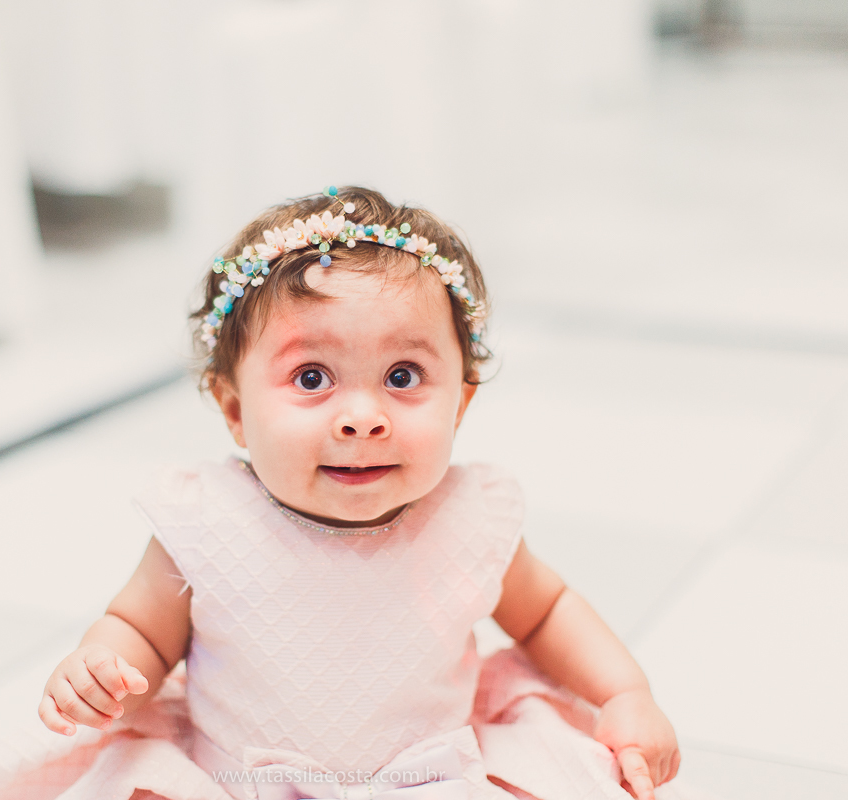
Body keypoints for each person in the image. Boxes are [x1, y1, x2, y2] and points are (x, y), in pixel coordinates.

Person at [37, 187, 685, 800]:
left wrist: (625, 693)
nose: (362, 417)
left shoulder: (467, 518)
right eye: (312, 376)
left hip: (426, 782)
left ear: (461, 404)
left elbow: (546, 613)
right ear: (235, 410)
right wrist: (105, 665)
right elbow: (141, 633)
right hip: (236, 784)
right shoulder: (207, 521)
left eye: (402, 375)